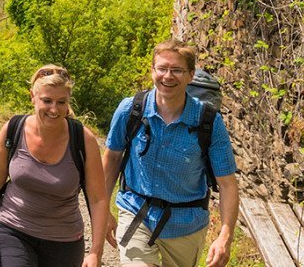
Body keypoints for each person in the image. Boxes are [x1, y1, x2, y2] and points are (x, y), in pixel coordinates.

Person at [102, 41, 239, 267]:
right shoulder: (130, 110)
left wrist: (225, 236)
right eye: (162, 68)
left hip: (186, 224)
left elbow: (227, 184)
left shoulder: (208, 121)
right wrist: (102, 211)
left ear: (190, 75)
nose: (168, 76)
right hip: (136, 213)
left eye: (177, 70)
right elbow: (111, 160)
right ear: (152, 71)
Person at [0, 65, 114, 266]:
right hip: (11, 227)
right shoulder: (13, 129)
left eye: (61, 102)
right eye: (47, 101)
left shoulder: (83, 140)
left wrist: (95, 252)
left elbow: (98, 198)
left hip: (64, 241)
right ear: (32, 97)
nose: (54, 109)